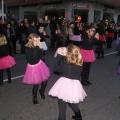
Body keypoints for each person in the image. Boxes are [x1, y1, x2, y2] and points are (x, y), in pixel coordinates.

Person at [49, 44, 87, 120]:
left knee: (62, 108)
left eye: (67, 51)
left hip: (65, 85)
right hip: (75, 85)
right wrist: (64, 56)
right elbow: (69, 62)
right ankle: (79, 116)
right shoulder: (79, 63)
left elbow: (55, 69)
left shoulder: (65, 64)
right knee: (71, 101)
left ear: (69, 55)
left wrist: (59, 55)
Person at [22, 33, 50, 104]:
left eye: (38, 39)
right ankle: (34, 97)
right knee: (36, 83)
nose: (38, 41)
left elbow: (40, 56)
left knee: (44, 81)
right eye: (36, 39)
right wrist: (38, 47)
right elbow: (34, 56)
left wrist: (40, 48)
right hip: (32, 67)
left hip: (39, 64)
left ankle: (42, 91)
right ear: (31, 40)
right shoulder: (27, 48)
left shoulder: (37, 46)